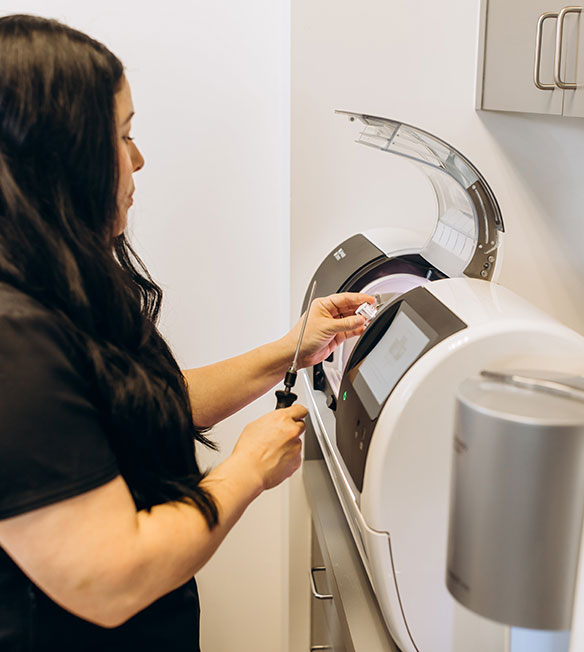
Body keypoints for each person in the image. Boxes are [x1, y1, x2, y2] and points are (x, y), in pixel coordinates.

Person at [0, 14, 374, 652]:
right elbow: (113, 577)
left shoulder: (53, 273)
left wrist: (292, 347)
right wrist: (248, 468)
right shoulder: (14, 342)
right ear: (62, 160)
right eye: (122, 136)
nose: (139, 158)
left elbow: (128, 406)